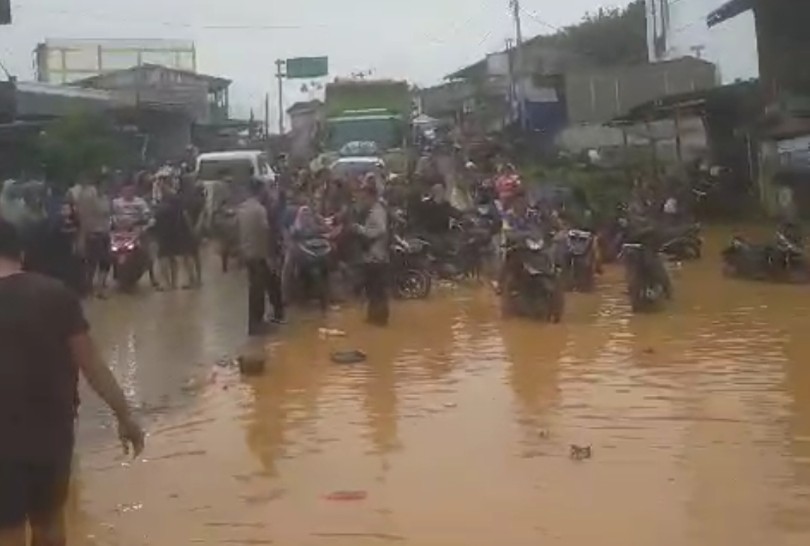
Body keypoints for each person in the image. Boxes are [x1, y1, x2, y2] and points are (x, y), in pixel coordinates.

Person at [0, 219, 144, 546]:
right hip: (52, 434)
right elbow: (91, 364)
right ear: (21, 253)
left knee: (6, 530)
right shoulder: (54, 294)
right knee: (49, 523)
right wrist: (124, 415)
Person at [238, 179, 284, 336]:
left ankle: (260, 322)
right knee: (259, 290)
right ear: (260, 191)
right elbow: (265, 233)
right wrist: (270, 256)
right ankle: (256, 325)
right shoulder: (260, 210)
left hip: (248, 253)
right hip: (260, 254)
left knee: (259, 288)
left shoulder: (242, 208)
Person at [353, 181, 390, 326]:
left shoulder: (377, 210)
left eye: (364, 197)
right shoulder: (373, 210)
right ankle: (374, 318)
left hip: (377, 256)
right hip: (373, 256)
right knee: (373, 289)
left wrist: (362, 231)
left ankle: (379, 319)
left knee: (376, 289)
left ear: (371, 196)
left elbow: (381, 230)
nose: (362, 201)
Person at [112, 181, 159, 289]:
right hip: (120, 232)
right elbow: (111, 215)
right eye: (126, 190)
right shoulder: (116, 203)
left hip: (138, 231)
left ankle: (153, 278)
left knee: (147, 253)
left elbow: (148, 215)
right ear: (122, 191)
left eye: (131, 190)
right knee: (110, 253)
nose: (128, 193)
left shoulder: (140, 202)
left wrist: (145, 224)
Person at [70, 176, 112, 298]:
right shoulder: (88, 199)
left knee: (106, 261)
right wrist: (85, 234)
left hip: (105, 232)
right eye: (104, 185)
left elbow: (108, 214)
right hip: (93, 233)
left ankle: (100, 287)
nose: (106, 187)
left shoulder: (105, 198)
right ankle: (88, 287)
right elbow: (83, 217)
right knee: (92, 263)